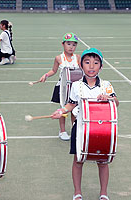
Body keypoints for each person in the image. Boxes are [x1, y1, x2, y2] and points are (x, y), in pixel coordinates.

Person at [51, 48, 119, 200]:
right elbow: (71, 104)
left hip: (102, 129)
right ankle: (77, 192)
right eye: (87, 62)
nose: (91, 66)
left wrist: (108, 98)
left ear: (101, 66)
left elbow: (116, 102)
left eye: (96, 63)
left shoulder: (106, 85)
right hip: (81, 128)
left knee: (103, 161)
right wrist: (61, 111)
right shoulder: (76, 86)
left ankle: (103, 193)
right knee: (78, 160)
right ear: (81, 65)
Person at [39, 33, 81, 141]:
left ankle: (75, 130)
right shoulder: (59, 58)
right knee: (63, 110)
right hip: (62, 88)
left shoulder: (78, 58)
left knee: (75, 110)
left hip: (75, 88)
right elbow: (53, 70)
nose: (71, 46)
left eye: (74, 44)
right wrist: (46, 75)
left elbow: (82, 71)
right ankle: (62, 131)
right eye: (69, 44)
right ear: (63, 44)